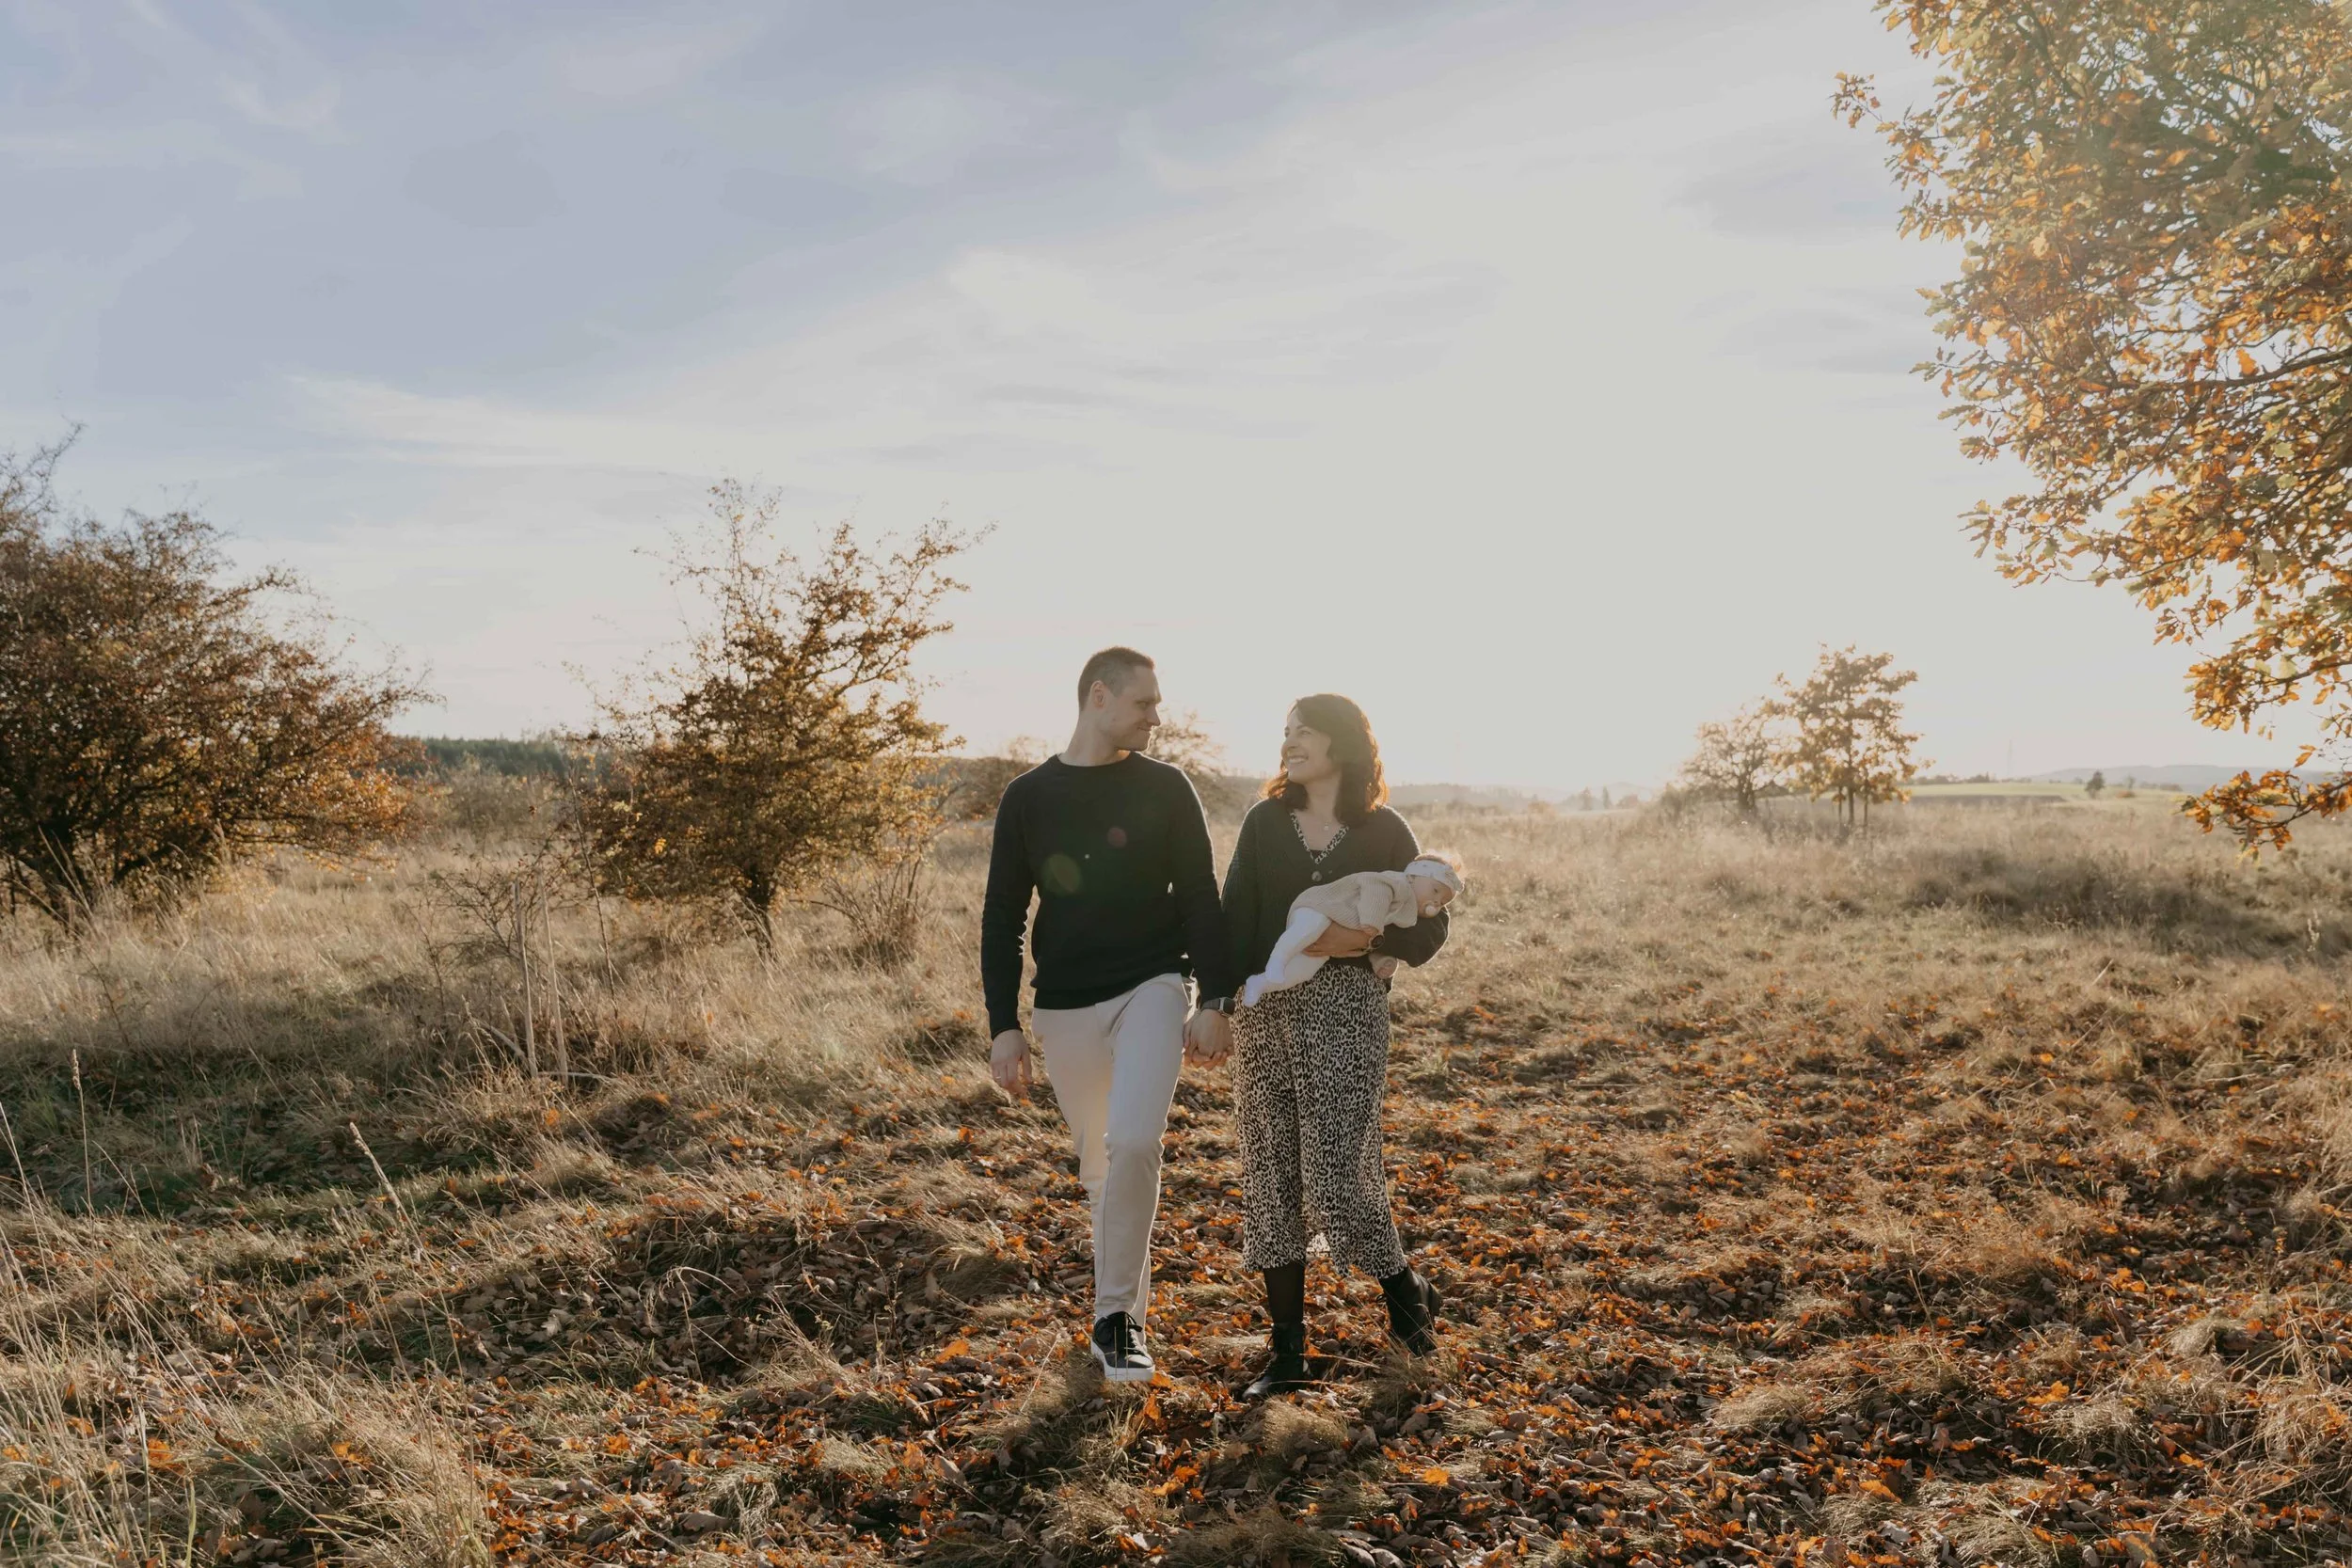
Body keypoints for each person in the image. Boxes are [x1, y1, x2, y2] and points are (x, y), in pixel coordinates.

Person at [979, 647, 1236, 1383]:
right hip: (1063, 1006)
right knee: (1102, 1167)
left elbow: (1199, 895)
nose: (1158, 716)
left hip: (1153, 985)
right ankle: (1124, 1320)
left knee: (1133, 1140)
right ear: (1099, 697)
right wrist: (1004, 1024)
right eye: (1145, 704)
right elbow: (1003, 919)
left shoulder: (1166, 787)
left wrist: (1214, 999)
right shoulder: (1027, 797)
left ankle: (1115, 1318)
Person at [1212, 693, 1450, 1397]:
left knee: (1338, 1172)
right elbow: (1234, 917)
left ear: (1341, 744)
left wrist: (1369, 939)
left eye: (1304, 732)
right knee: (1271, 1171)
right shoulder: (1263, 821)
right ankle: (1287, 1355)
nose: (1289, 742)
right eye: (1284, 732)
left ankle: (1407, 1293)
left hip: (1345, 1010)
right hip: (1264, 1010)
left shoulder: (1384, 829)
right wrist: (1217, 1002)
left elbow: (1428, 925)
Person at [1239, 850, 1465, 1006]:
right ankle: (1276, 960)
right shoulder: (1395, 883)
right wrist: (1371, 929)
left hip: (1332, 956)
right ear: (1414, 876)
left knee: (1304, 969)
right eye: (1435, 891)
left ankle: (1261, 983)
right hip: (1320, 906)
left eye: (1443, 902)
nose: (1436, 903)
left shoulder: (1407, 913)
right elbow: (1375, 896)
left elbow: (1394, 939)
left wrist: (1382, 959)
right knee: (1310, 928)